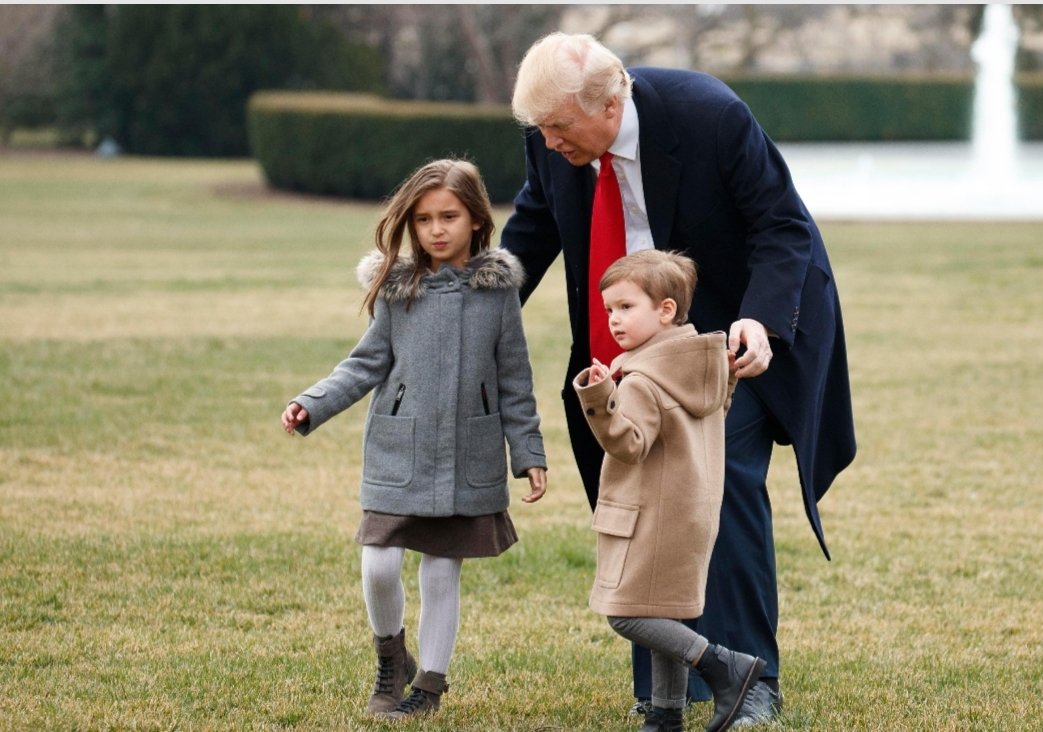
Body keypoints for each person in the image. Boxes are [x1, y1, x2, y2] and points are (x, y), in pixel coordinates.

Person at [501, 32, 856, 726]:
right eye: (538, 129)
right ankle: (668, 692)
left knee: (723, 490)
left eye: (559, 127)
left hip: (729, 338)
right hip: (627, 358)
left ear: (610, 102)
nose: (548, 143)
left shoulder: (708, 116)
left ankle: (755, 681)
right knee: (639, 504)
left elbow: (782, 227)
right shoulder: (557, 143)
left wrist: (759, 322)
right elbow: (532, 232)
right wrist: (470, 306)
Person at [281, 158, 548, 721]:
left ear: (476, 220)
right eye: (424, 219)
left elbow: (514, 381)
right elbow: (364, 365)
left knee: (441, 568)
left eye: (449, 216)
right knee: (378, 562)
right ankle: (390, 655)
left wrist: (529, 455)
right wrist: (311, 404)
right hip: (398, 453)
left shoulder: (497, 295)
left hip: (467, 455)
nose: (436, 229)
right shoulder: (396, 291)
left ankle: (428, 684)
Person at [575, 249, 764, 732]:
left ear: (665, 310)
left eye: (625, 307)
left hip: (651, 515)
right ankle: (666, 715)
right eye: (609, 309)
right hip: (690, 512)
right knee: (665, 613)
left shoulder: (641, 380)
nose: (614, 320)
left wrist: (599, 398)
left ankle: (725, 666)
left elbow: (629, 445)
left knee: (626, 612)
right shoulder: (700, 364)